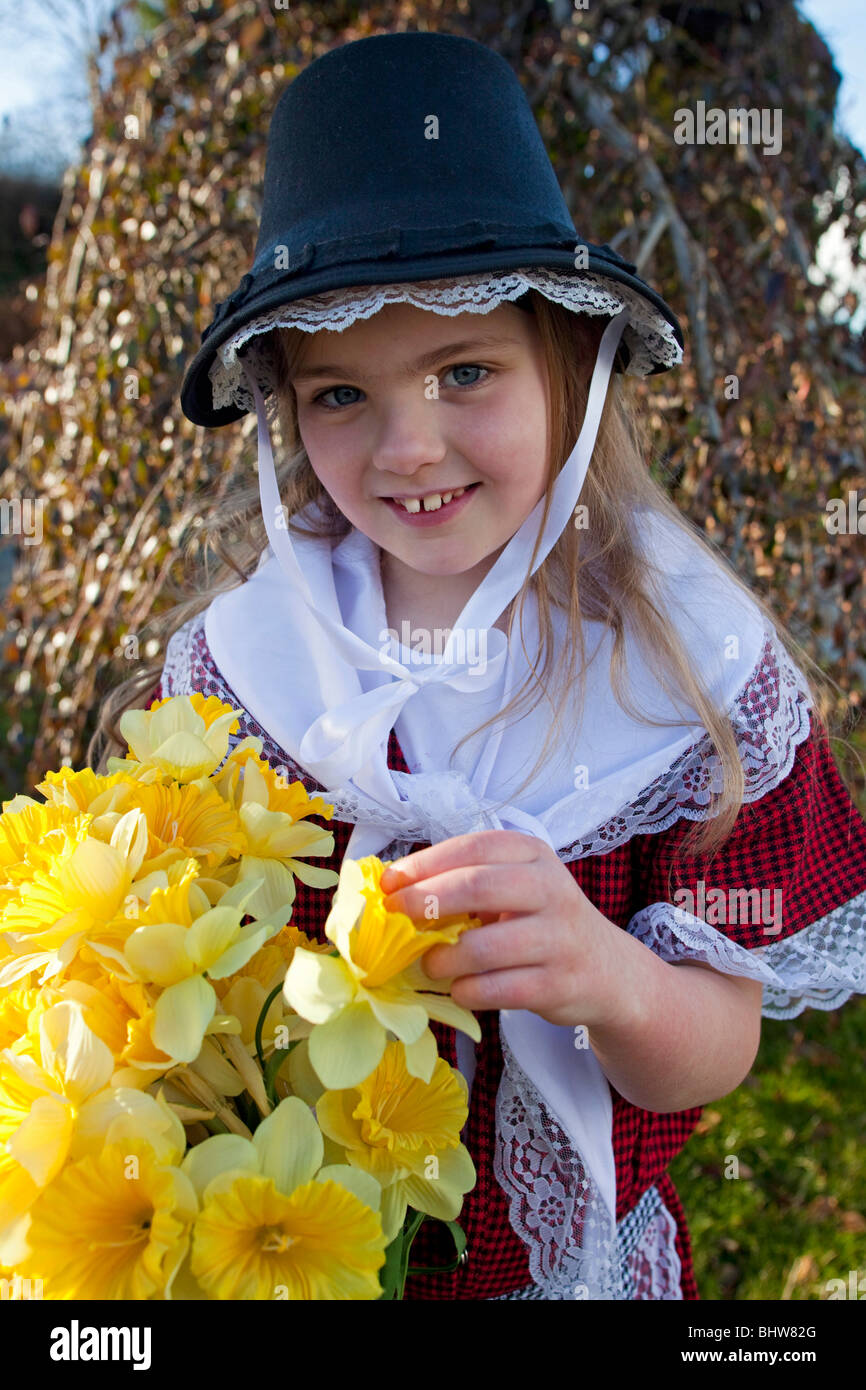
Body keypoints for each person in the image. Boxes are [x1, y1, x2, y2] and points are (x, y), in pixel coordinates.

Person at [91, 30, 866, 1300]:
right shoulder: (246, 674)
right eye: (341, 394)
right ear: (286, 408)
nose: (407, 447)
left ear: (568, 368)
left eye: (464, 372)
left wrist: (608, 978)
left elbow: (710, 1048)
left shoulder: (680, 666)